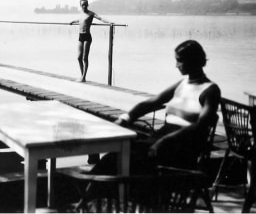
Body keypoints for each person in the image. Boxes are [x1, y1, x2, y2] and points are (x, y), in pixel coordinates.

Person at [93, 40, 221, 174]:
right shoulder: (183, 83)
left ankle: (96, 191)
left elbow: (201, 125)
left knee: (123, 159)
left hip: (182, 145)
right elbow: (153, 102)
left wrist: (165, 140)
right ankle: (96, 191)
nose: (176, 65)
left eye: (180, 61)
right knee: (115, 155)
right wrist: (125, 118)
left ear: (193, 60)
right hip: (163, 137)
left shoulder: (210, 90)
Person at [69, 0, 114, 82]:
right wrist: (72, 21)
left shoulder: (91, 13)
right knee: (79, 58)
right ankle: (83, 76)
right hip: (80, 36)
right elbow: (80, 20)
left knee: (84, 58)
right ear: (80, 5)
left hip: (87, 37)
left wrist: (109, 22)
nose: (84, 6)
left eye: (85, 4)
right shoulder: (81, 13)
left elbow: (100, 18)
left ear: (87, 5)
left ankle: (83, 77)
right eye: (82, 4)